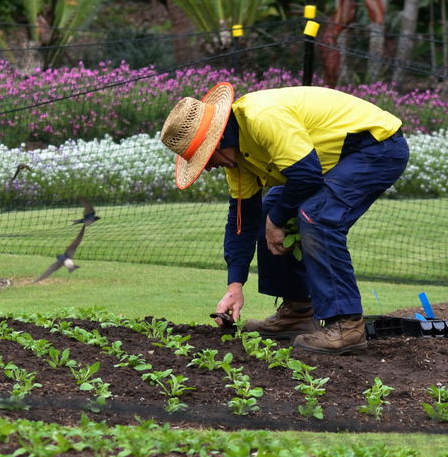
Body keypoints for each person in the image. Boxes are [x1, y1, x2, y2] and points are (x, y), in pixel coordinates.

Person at [160, 82, 409, 354]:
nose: (207, 168)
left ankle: (347, 325)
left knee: (317, 217)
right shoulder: (237, 160)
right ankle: (299, 312)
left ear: (218, 141)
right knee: (269, 209)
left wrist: (276, 221)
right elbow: (242, 221)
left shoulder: (261, 118)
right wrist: (235, 285)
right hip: (332, 161)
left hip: (375, 147)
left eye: (205, 158)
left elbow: (306, 174)